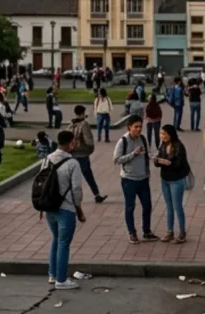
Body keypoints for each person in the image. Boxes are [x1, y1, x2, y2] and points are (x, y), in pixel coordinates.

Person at [43, 130, 86, 290]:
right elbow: (76, 190)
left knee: (56, 239)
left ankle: (52, 274)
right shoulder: (73, 163)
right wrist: (79, 210)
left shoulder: (47, 159)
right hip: (66, 209)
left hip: (49, 208)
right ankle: (61, 279)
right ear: (71, 143)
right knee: (63, 243)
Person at [114, 116, 157, 244]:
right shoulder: (123, 141)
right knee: (130, 207)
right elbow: (116, 160)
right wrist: (133, 154)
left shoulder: (143, 138)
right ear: (129, 127)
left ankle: (147, 231)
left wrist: (154, 157)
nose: (138, 129)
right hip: (129, 180)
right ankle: (132, 232)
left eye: (140, 126)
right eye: (136, 127)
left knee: (147, 206)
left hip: (143, 179)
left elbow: (148, 153)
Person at [154, 125, 191, 244]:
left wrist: (168, 162)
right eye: (161, 134)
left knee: (177, 206)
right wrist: (157, 161)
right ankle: (170, 231)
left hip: (176, 180)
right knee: (169, 206)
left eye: (164, 134)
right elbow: (158, 161)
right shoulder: (163, 145)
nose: (162, 136)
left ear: (171, 134)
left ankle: (182, 233)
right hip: (165, 179)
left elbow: (181, 164)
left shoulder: (179, 146)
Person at [69, 104, 107, 203]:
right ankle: (96, 195)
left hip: (72, 154)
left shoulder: (71, 124)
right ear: (82, 113)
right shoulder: (84, 124)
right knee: (88, 175)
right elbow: (89, 141)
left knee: (73, 176)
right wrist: (90, 149)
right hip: (82, 154)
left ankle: (70, 196)